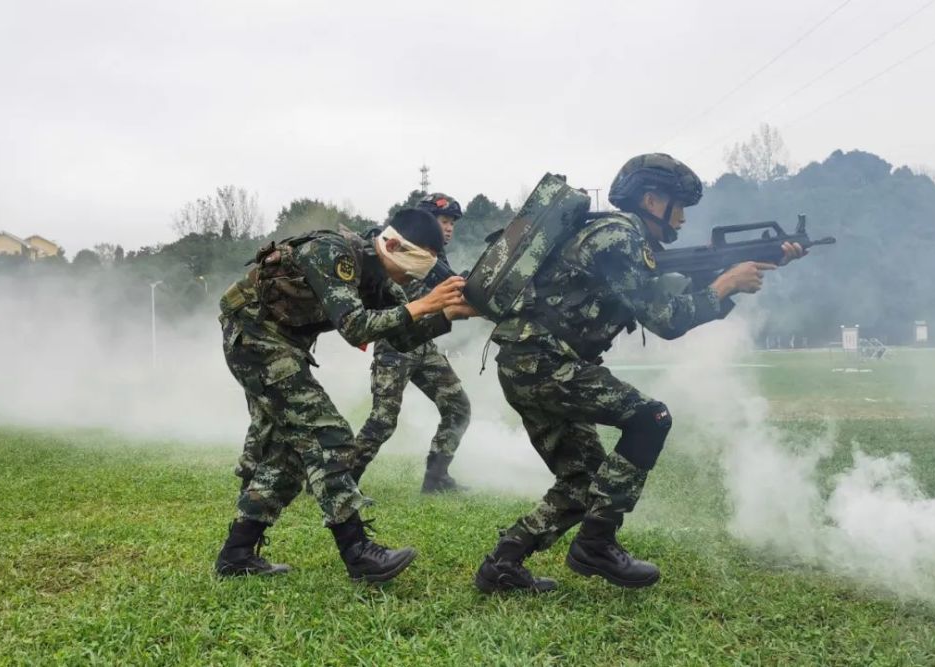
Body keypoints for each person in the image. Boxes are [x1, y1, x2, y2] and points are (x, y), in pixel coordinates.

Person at [474, 153, 805, 593]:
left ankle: (503, 565)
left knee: (583, 482)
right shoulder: (619, 236)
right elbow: (667, 319)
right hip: (545, 363)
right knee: (650, 419)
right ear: (652, 200)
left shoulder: (616, 237)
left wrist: (734, 274)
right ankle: (596, 544)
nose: (684, 217)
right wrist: (726, 285)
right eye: (678, 205)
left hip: (530, 363)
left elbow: (663, 291)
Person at [214, 207, 472, 582]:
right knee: (327, 436)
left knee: (289, 455)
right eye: (409, 269)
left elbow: (401, 336)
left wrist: (452, 314)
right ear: (394, 244)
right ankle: (358, 553)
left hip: (282, 344)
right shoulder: (333, 252)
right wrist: (423, 303)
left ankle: (236, 554)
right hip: (253, 337)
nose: (406, 279)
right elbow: (355, 328)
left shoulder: (379, 274)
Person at [352, 193, 472, 493]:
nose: (449, 228)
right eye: (444, 221)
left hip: (424, 345)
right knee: (383, 421)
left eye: (452, 223)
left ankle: (436, 478)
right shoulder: (406, 252)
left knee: (458, 407)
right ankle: (340, 482)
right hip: (395, 344)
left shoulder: (437, 260)